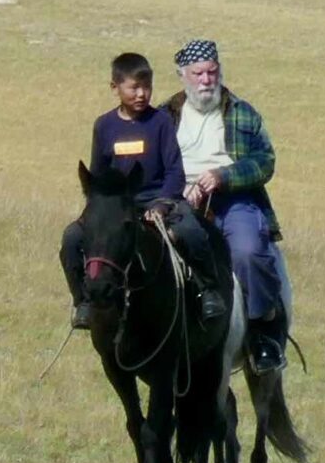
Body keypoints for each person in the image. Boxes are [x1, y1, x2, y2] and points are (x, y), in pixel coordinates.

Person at [62, 51, 226, 331]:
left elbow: (175, 170)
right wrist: (97, 210)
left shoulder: (160, 122)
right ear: (115, 88)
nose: (141, 94)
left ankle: (208, 290)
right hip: (117, 206)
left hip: (160, 199)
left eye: (147, 87)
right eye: (134, 87)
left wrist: (162, 205)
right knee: (71, 238)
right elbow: (98, 176)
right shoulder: (104, 126)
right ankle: (84, 301)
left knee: (191, 232)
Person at [171, 39, 293, 373]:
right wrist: (179, 189)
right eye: (198, 74)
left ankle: (262, 333)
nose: (206, 81)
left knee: (249, 251)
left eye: (212, 72)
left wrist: (224, 175)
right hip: (180, 202)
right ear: (182, 75)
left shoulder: (242, 112)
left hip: (233, 199)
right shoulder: (166, 116)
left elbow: (264, 161)